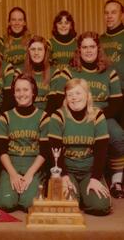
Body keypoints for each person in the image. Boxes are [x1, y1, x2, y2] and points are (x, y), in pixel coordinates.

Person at [55, 31, 124, 198]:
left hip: (102, 116)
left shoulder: (109, 72)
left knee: (117, 134)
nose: (88, 50)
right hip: (74, 116)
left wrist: (95, 115)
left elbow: (117, 102)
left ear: (98, 49)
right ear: (79, 50)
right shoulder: (69, 71)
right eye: (84, 47)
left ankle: (116, 180)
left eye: (92, 46)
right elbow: (58, 100)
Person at [48, 78, 111, 216]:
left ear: (87, 95)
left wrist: (95, 178)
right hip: (68, 171)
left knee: (100, 206)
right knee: (66, 206)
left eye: (78, 93)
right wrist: (63, 176)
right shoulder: (58, 116)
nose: (74, 98)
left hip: (89, 171)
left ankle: (84, 196)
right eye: (70, 94)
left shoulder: (97, 115)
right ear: (66, 98)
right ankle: (78, 197)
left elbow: (102, 151)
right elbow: (54, 152)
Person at [0, 74, 49, 212]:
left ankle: (28, 191)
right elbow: (1, 151)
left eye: (25, 90)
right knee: (6, 203)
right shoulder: (5, 117)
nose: (21, 94)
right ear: (13, 93)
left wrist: (30, 174)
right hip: (11, 164)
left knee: (29, 204)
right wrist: (13, 174)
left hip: (33, 164)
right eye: (18, 90)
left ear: (33, 92)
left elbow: (44, 152)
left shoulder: (43, 117)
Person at [16, 35, 61, 114]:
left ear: (45, 52)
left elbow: (54, 102)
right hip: (26, 115)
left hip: (47, 115)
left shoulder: (54, 72)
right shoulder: (19, 71)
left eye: (40, 49)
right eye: (33, 49)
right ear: (28, 52)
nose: (36, 53)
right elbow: (16, 100)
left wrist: (43, 119)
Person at [100, 0, 124, 128]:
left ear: (122, 15)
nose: (109, 16)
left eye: (113, 12)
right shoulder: (99, 39)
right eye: (106, 13)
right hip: (106, 95)